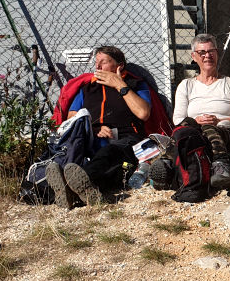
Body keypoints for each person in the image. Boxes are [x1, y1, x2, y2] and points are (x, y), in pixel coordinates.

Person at [46, 45, 153, 209]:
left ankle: (75, 186)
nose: (98, 67)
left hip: (125, 141)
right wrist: (94, 129)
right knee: (80, 156)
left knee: (111, 157)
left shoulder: (135, 84)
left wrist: (120, 86)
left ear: (119, 65)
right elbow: (72, 118)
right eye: (96, 63)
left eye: (103, 62)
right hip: (92, 139)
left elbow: (143, 113)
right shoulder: (87, 88)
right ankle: (73, 188)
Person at [172, 33, 230, 192]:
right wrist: (196, 121)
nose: (207, 56)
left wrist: (218, 121)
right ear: (194, 56)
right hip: (195, 133)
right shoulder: (186, 85)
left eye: (211, 51)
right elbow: (177, 119)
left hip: (225, 134)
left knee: (207, 128)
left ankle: (221, 164)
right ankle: (166, 164)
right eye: (202, 52)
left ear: (217, 54)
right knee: (186, 128)